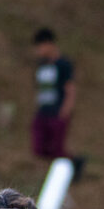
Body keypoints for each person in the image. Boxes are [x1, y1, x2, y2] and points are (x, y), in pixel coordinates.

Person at [30, 27, 84, 175]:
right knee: (39, 146)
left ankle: (72, 166)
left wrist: (65, 111)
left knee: (57, 149)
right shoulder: (42, 65)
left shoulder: (63, 64)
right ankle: (68, 164)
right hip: (43, 110)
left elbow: (70, 89)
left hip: (57, 111)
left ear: (48, 44)